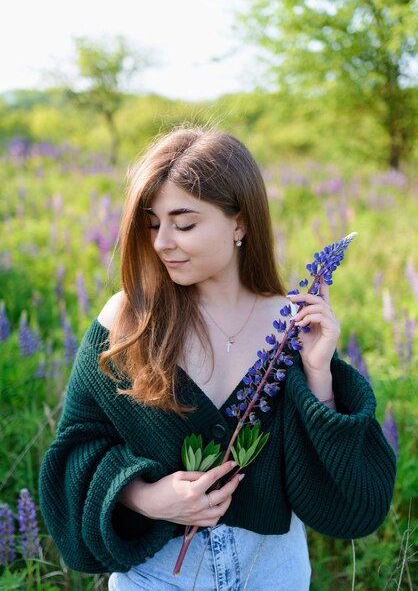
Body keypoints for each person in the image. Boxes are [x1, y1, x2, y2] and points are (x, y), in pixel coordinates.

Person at [39, 126, 396, 590]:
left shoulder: (292, 327)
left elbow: (354, 506)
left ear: (239, 223)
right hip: (157, 572)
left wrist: (318, 376)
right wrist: (147, 496)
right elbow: (73, 453)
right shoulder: (131, 319)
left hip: (272, 570)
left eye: (184, 223)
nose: (162, 241)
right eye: (152, 223)